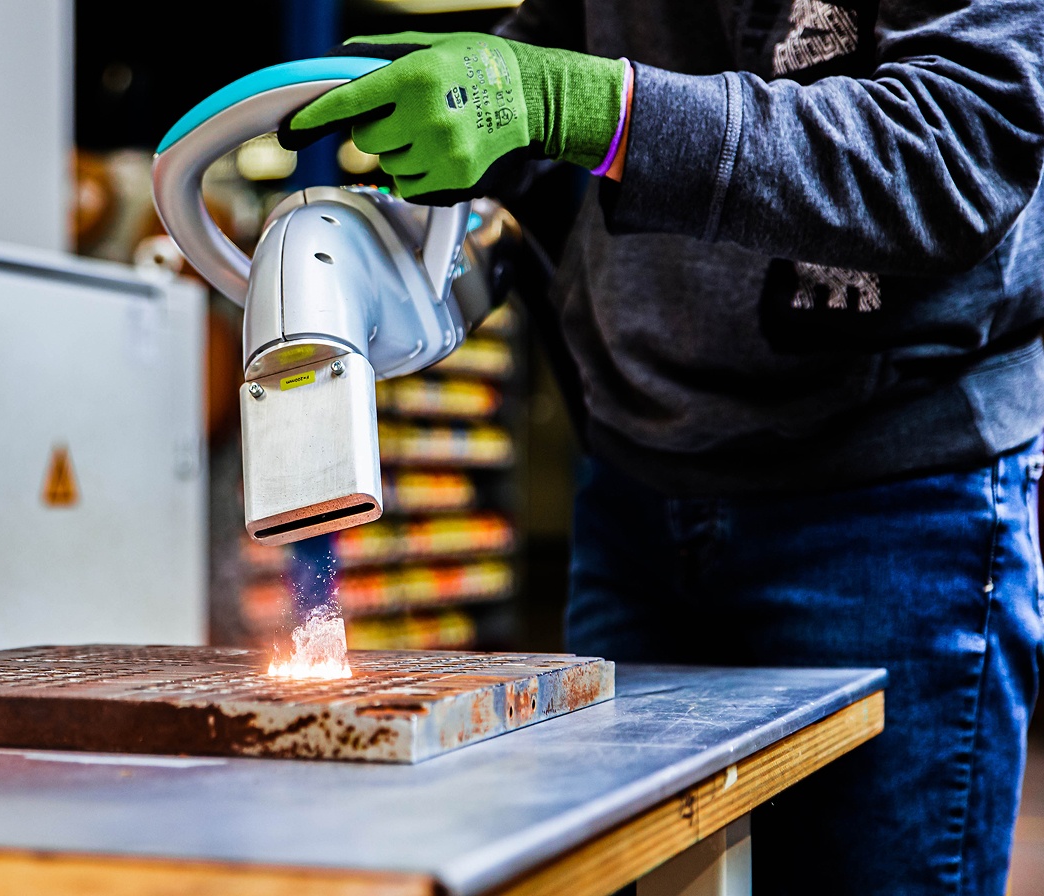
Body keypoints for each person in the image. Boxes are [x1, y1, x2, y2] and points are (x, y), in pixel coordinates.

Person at [279, 2, 1044, 893]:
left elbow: (955, 149)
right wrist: (476, 109)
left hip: (889, 499)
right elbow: (573, 38)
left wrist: (570, 104)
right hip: (634, 486)